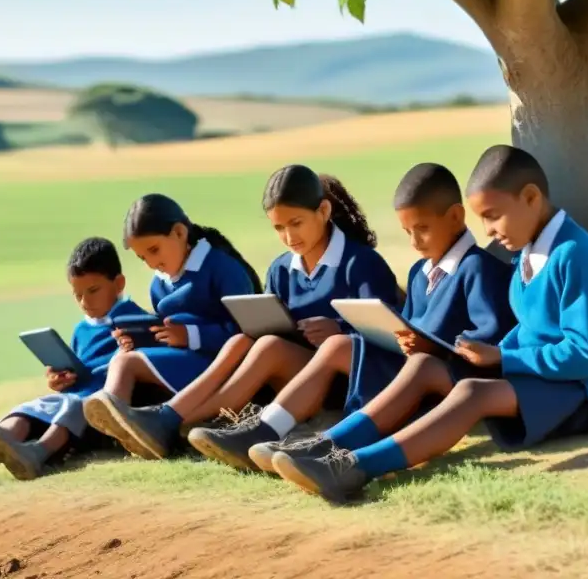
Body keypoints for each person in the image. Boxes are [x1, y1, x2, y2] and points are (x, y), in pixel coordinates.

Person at [269, 146, 588, 503]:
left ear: (531, 198)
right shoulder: (528, 253)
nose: (489, 231)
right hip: (543, 372)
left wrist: (501, 357)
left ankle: (353, 468)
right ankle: (325, 446)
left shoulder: (576, 255)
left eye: (493, 216)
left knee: (472, 394)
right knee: (424, 365)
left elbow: (585, 357)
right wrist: (478, 354)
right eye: (483, 219)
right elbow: (530, 329)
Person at [190, 162, 516, 473]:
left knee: (339, 346)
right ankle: (253, 429)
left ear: (457, 217)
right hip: (408, 369)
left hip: (446, 377)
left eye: (422, 230)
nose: (414, 242)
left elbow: (487, 342)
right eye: (407, 232)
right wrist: (406, 337)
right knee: (282, 345)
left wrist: (431, 347)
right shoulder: (420, 272)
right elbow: (406, 326)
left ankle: (314, 444)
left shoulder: (477, 268)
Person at [86, 164, 401, 463]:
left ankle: (181, 421)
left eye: (296, 223)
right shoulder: (281, 268)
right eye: (279, 227)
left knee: (269, 346)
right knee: (247, 341)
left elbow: (390, 338)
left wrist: (339, 329)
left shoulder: (361, 263)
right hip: (296, 376)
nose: (289, 237)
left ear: (323, 211)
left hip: (351, 378)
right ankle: (174, 419)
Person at [83, 194, 261, 452]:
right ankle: (123, 432)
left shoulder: (222, 268)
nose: (152, 263)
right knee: (124, 357)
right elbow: (168, 330)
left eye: (154, 250)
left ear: (179, 232)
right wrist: (141, 337)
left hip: (223, 367)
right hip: (183, 362)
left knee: (126, 363)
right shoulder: (159, 284)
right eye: (143, 258)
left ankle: (122, 426)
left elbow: (246, 332)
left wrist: (190, 336)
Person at [0, 237, 148, 480]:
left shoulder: (134, 320)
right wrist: (61, 378)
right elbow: (80, 368)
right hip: (75, 399)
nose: (84, 302)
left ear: (119, 284)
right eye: (77, 294)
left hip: (100, 412)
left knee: (72, 406)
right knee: (41, 404)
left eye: (93, 291)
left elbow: (140, 364)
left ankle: (38, 453)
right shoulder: (82, 329)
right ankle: (5, 436)